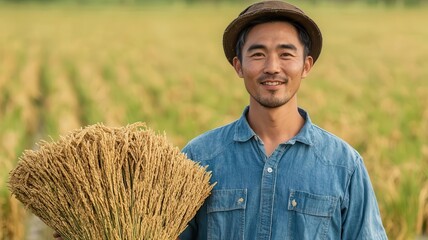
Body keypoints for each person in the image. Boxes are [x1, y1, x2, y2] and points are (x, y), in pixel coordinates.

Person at [55, 1, 387, 239]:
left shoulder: (343, 166)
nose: (272, 66)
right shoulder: (198, 159)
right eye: (258, 54)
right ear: (238, 65)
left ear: (306, 65)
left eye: (286, 54)